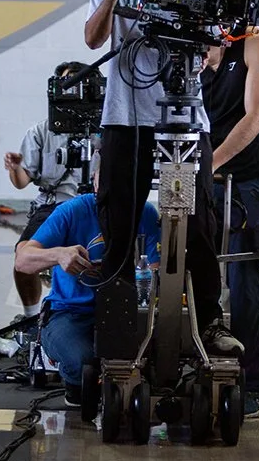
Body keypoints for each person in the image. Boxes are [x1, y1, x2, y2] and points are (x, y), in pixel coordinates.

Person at [85, 0, 241, 358]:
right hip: (123, 117)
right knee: (117, 217)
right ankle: (109, 325)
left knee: (196, 223)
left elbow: (215, 53)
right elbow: (93, 40)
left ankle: (209, 322)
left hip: (183, 120)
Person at [15, 170, 159, 406]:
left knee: (156, 359)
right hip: (71, 312)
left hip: (127, 311)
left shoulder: (145, 213)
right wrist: (59, 254)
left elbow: (155, 270)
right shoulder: (72, 211)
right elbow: (23, 260)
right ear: (94, 180)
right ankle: (76, 386)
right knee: (84, 362)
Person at [201, 26, 259, 417]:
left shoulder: (256, 43)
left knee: (243, 274)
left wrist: (210, 163)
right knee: (184, 268)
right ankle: (193, 355)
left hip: (246, 179)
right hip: (199, 178)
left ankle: (252, 381)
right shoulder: (186, 53)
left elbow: (257, 116)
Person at [4, 61, 96, 318]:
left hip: (94, 205)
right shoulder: (41, 131)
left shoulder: (107, 131)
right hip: (53, 205)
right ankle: (32, 315)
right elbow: (22, 181)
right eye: (68, 84)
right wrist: (15, 167)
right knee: (23, 259)